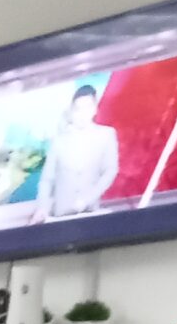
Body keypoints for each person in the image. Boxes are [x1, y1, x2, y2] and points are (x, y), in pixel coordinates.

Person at [38, 81, 121, 221]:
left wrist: (88, 199)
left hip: (90, 211)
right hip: (61, 214)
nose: (82, 114)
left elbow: (110, 170)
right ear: (72, 111)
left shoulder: (106, 135)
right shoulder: (59, 141)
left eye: (87, 107)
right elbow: (47, 179)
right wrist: (42, 207)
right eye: (78, 109)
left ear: (95, 109)